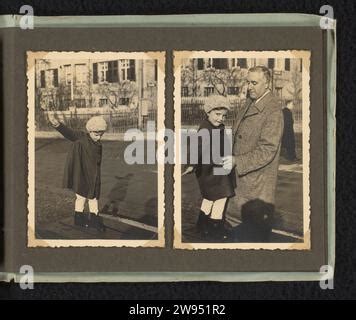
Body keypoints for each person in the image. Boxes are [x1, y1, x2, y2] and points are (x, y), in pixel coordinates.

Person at [222, 66, 284, 242]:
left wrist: (237, 161)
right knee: (238, 232)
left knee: (252, 236)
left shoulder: (273, 110)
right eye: (248, 82)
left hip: (256, 185)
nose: (249, 86)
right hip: (243, 181)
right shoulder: (251, 101)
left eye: (254, 83)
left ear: (267, 83)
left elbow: (267, 150)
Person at [183, 95, 236, 241]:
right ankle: (216, 230)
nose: (220, 118)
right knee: (221, 198)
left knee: (210, 198)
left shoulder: (216, 127)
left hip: (215, 169)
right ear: (208, 113)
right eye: (217, 114)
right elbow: (196, 148)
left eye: (224, 116)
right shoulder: (205, 129)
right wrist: (191, 164)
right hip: (211, 171)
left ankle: (202, 225)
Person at [47, 112, 107, 232]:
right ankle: (78, 219)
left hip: (93, 175)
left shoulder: (98, 144)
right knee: (81, 197)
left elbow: (97, 162)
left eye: (101, 135)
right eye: (96, 134)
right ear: (90, 131)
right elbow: (69, 133)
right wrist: (57, 124)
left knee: (93, 197)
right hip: (81, 173)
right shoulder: (81, 137)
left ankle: (94, 219)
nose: (98, 137)